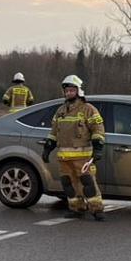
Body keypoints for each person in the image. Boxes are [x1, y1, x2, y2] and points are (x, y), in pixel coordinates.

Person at [41, 75, 105, 220]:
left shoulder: (88, 109)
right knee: (68, 185)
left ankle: (97, 210)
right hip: (64, 158)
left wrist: (98, 148)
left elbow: (98, 129)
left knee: (88, 184)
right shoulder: (61, 111)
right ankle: (76, 208)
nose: (69, 93)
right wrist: (47, 148)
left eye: (72, 90)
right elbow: (54, 132)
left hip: (83, 157)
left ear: (78, 91)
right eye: (67, 91)